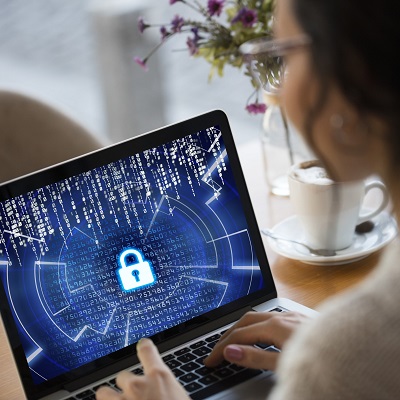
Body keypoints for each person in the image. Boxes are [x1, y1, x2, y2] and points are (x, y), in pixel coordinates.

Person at [96, 0, 400, 398]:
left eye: (284, 55)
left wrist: (333, 355)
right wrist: (332, 343)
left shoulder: (343, 361)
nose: (278, 87)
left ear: (350, 78)